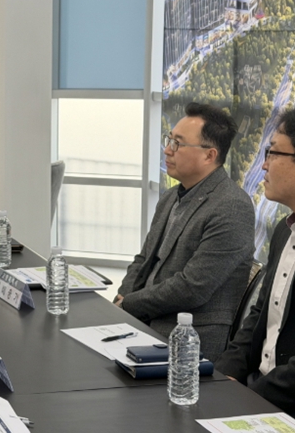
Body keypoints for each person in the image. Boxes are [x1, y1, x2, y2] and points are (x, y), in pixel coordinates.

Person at [114, 102, 255, 362]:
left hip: (189, 339)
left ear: (209, 155)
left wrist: (129, 304)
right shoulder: (170, 197)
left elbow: (192, 287)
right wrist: (122, 299)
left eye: (178, 143)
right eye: (169, 139)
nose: (167, 150)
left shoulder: (232, 206)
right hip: (144, 322)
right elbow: (143, 260)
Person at [216, 109, 295, 415]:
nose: (264, 164)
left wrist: (248, 398)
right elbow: (259, 316)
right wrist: (222, 376)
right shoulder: (283, 232)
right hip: (257, 391)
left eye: (272, 152)